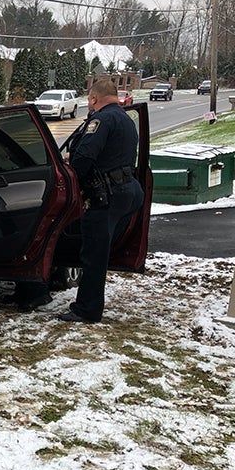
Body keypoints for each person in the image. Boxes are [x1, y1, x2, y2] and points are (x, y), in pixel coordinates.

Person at [59, 80, 144, 323]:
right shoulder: (127, 119)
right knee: (102, 249)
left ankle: (87, 310)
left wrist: (71, 173)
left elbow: (85, 157)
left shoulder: (100, 121)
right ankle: (89, 304)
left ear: (94, 98)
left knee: (94, 254)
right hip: (128, 192)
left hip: (105, 196)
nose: (88, 104)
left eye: (88, 100)